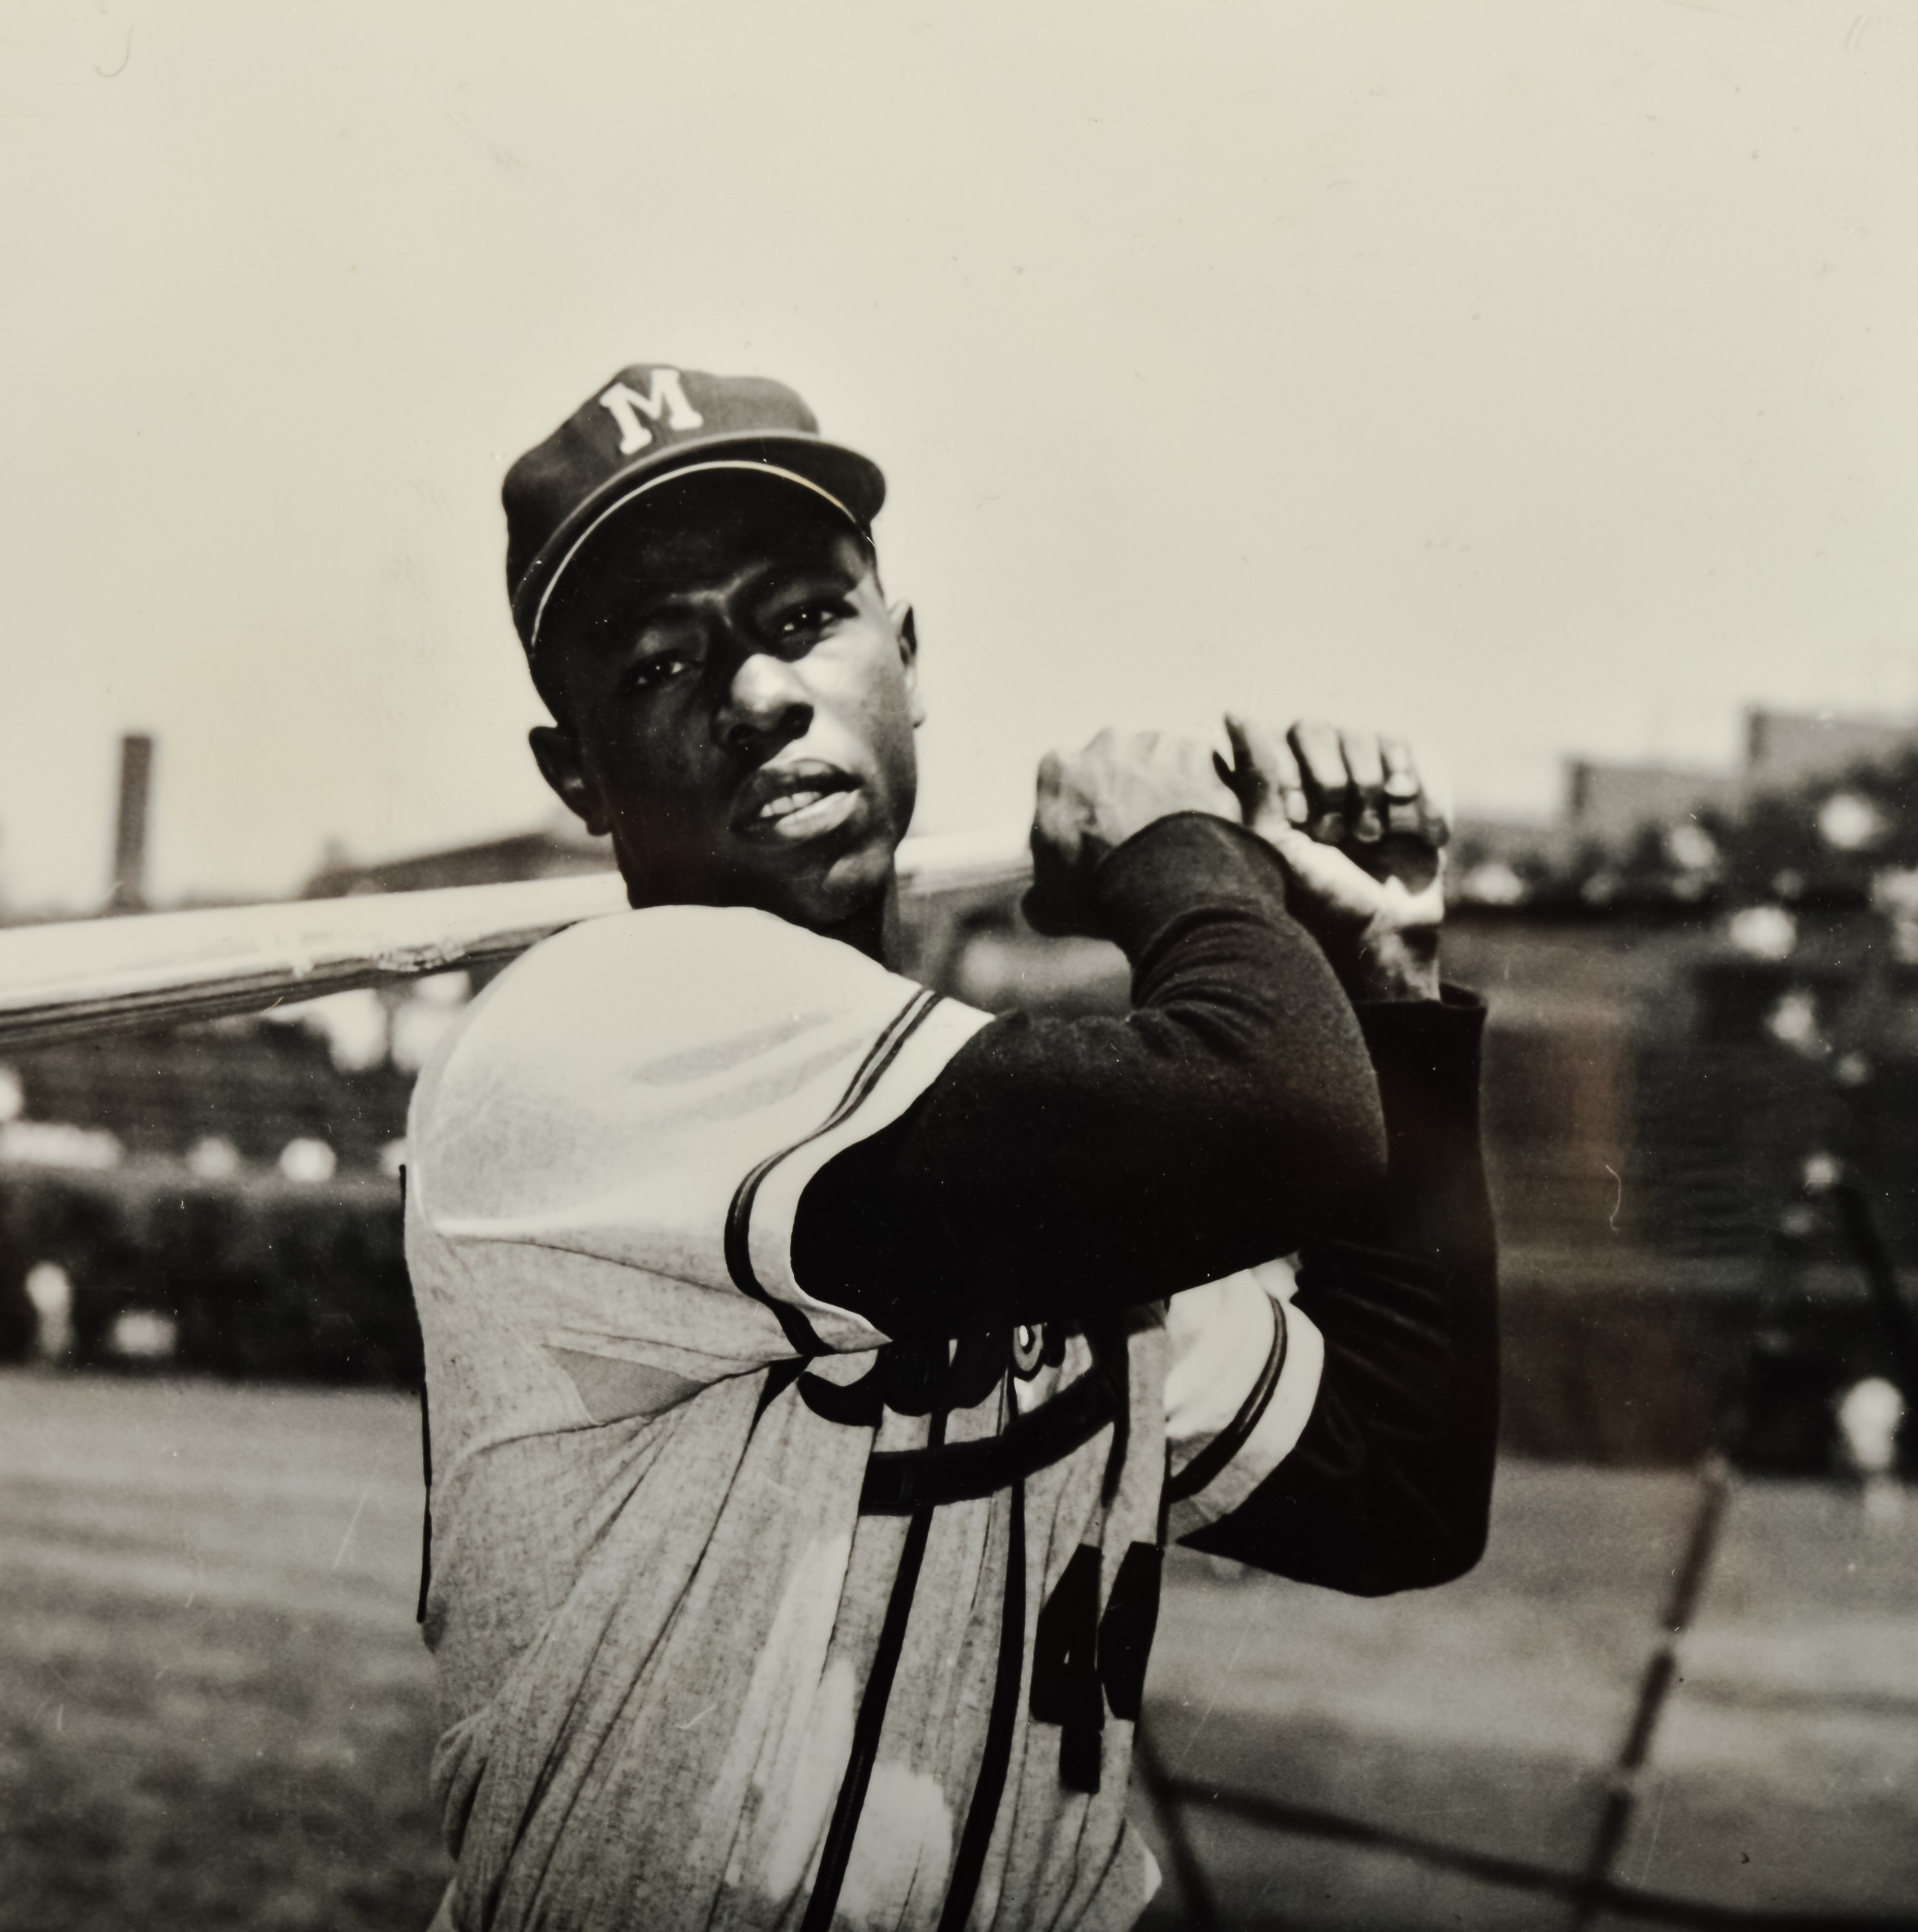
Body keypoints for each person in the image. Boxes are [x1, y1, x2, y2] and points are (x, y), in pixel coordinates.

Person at [402, 364, 1496, 1932]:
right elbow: (1280, 1116)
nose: (759, 694)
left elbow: (1392, 1485)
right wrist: (1175, 850)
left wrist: (1387, 989)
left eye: (799, 622)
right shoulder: (592, 1037)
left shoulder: (1004, 1136)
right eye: (660, 664)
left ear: (904, 663)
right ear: (574, 771)